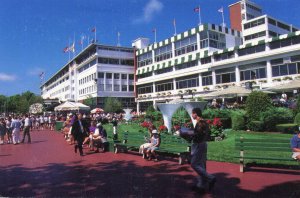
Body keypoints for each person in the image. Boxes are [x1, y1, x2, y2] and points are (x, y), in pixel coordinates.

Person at [190, 108, 216, 193]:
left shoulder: (200, 123)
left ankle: (210, 178)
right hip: (204, 144)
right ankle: (201, 186)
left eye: (192, 113)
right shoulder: (204, 122)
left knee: (194, 164)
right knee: (201, 165)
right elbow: (207, 135)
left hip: (199, 145)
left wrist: (187, 134)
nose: (192, 115)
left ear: (196, 114)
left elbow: (197, 136)